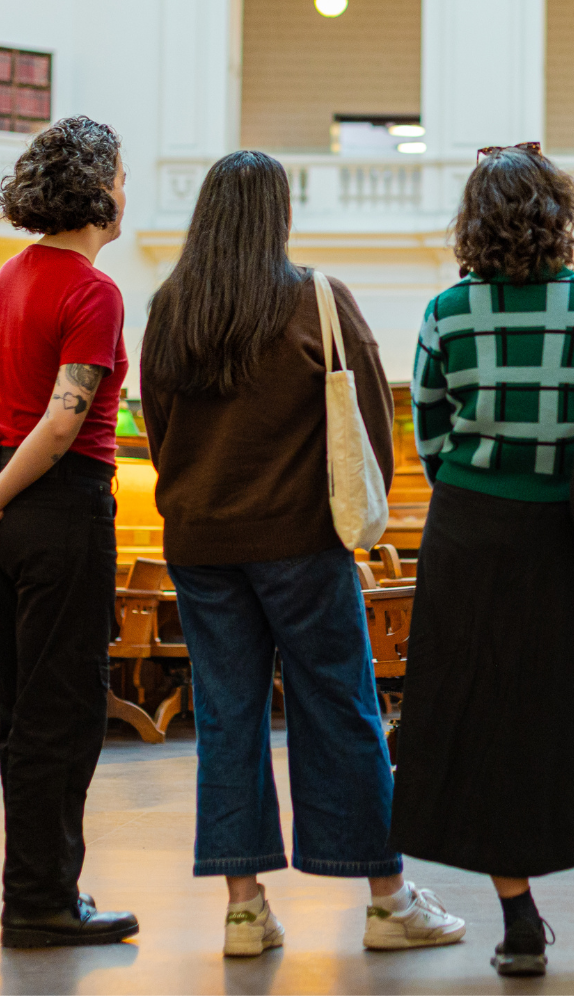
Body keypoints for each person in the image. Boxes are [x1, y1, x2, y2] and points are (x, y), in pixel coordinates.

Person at [137, 150, 465, 957]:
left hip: (201, 544)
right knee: (340, 708)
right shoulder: (317, 298)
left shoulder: (171, 306)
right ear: (281, 215)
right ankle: (387, 902)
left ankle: (244, 911)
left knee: (226, 719)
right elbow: (371, 422)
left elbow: (157, 428)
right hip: (303, 543)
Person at [389, 142, 574, 979]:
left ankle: (520, 929)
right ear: (559, 217)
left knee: (486, 725)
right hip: (570, 541)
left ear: (474, 223)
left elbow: (430, 435)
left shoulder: (446, 311)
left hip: (469, 539)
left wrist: (484, 484)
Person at [0, 116, 139, 947]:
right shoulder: (94, 291)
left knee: (24, 708)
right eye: (120, 178)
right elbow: (63, 421)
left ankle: (34, 891)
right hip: (63, 506)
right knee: (67, 709)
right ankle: (44, 902)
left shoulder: (3, 283)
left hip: (6, 514)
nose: (125, 192)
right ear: (97, 191)